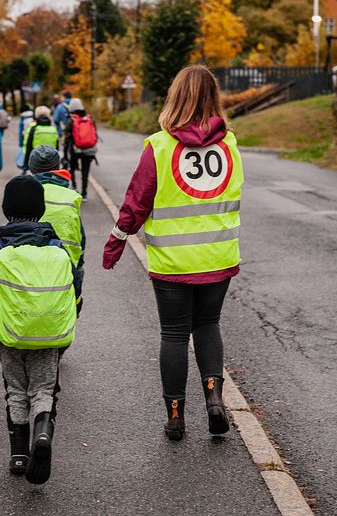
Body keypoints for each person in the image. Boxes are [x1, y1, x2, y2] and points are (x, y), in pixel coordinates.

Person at [102, 65, 244, 441]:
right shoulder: (229, 145)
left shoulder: (159, 147)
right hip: (218, 256)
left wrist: (116, 242)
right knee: (208, 324)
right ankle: (214, 398)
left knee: (175, 333)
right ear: (213, 97)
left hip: (173, 261)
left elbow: (136, 204)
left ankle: (176, 416)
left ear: (175, 97)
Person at [0, 176, 82, 484]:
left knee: (16, 390)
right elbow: (73, 287)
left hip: (10, 336)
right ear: (40, 210)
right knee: (43, 389)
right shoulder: (56, 247)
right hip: (49, 334)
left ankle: (19, 454)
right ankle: (43, 433)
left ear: (7, 209)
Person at [28, 145, 86, 278]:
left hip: (31, 262)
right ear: (57, 167)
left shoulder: (26, 193)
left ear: (31, 168)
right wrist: (78, 264)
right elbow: (80, 235)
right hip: (66, 262)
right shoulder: (71, 196)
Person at [63, 98, 98, 202]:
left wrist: (65, 154)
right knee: (85, 171)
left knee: (72, 168)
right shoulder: (89, 119)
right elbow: (94, 134)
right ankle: (84, 193)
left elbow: (67, 138)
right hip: (88, 149)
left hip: (75, 150)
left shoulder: (71, 119)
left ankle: (74, 187)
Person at [22, 106, 58, 171]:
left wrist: (26, 162)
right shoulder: (53, 129)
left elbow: (28, 146)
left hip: (37, 160)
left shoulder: (33, 129)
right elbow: (57, 147)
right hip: (51, 160)